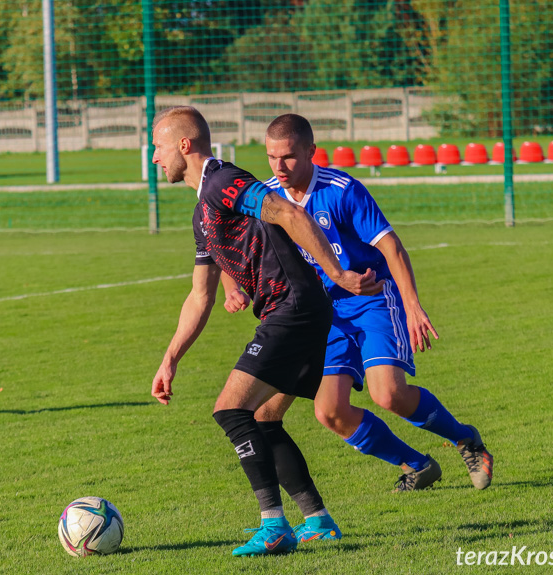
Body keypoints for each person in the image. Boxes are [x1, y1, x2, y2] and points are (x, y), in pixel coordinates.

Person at [149, 106, 382, 557]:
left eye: (158, 147)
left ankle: (273, 524)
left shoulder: (222, 181)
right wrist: (170, 358)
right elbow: (201, 295)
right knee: (263, 418)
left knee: (229, 410)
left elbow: (288, 214)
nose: (154, 157)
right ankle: (318, 520)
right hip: (295, 310)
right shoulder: (203, 212)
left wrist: (339, 274)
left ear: (184, 145)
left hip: (294, 306)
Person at [222, 113, 493, 492]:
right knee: (329, 411)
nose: (278, 167)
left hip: (371, 301)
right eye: (271, 157)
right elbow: (230, 245)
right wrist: (231, 284)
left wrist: (413, 306)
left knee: (389, 394)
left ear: (311, 151)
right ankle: (418, 465)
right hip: (322, 315)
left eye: (288, 157)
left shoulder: (342, 190)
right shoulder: (268, 199)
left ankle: (465, 439)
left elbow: (391, 246)